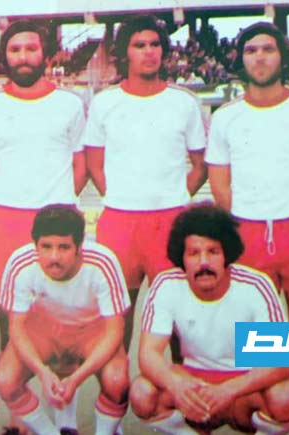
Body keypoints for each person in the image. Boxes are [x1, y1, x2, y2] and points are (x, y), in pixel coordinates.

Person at [0, 20, 87, 434]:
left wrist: (56, 210)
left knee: (67, 316)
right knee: (12, 317)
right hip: (10, 219)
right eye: (15, 49)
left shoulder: (71, 104)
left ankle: (257, 389)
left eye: (31, 48)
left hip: (62, 219)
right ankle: (22, 417)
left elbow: (81, 166)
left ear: (47, 54)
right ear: (4, 55)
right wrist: (18, 198)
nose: (23, 56)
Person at [83, 14, 208, 349]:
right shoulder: (105, 103)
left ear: (164, 51)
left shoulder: (183, 102)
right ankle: (117, 383)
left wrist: (175, 195)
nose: (149, 51)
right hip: (120, 222)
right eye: (139, 45)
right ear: (125, 52)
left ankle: (183, 382)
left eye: (154, 44)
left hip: (170, 220)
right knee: (117, 320)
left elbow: (200, 165)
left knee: (180, 320)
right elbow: (94, 163)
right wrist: (121, 196)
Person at [206, 22, 289, 322]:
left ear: (283, 57)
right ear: (241, 59)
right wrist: (244, 223)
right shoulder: (225, 118)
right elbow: (219, 185)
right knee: (254, 334)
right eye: (251, 50)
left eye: (268, 49)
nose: (259, 57)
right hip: (248, 233)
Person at [130, 204, 289, 435]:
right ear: (182, 257)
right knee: (142, 392)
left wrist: (229, 390)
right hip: (194, 384)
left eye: (213, 252)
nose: (204, 262)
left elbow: (281, 363)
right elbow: (149, 354)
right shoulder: (166, 284)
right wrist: (177, 386)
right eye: (194, 253)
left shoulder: (255, 286)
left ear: (226, 255)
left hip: (243, 388)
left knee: (286, 394)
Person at [0, 205, 130, 435]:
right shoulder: (20, 263)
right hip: (44, 331)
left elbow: (115, 331)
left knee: (117, 381)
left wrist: (76, 378)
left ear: (79, 246)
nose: (54, 257)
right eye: (46, 247)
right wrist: (42, 372)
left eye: (64, 247)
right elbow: (16, 329)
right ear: (35, 244)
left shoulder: (103, 262)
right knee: (5, 379)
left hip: (91, 331)